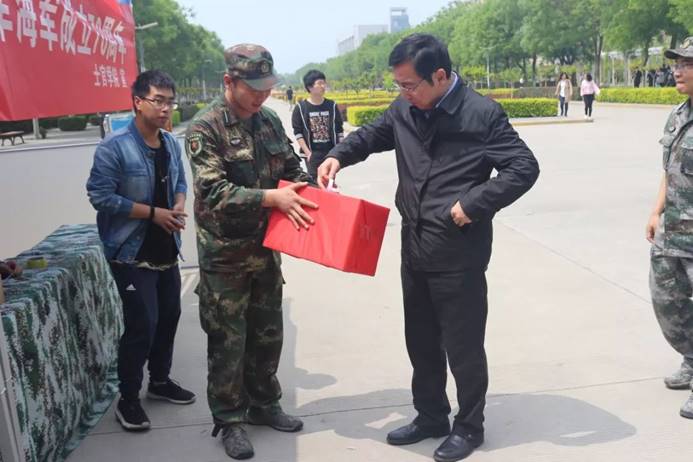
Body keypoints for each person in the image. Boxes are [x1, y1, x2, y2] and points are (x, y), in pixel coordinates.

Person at [317, 33, 539, 462]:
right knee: (420, 341)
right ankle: (431, 415)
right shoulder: (405, 108)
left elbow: (523, 167)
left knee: (463, 346)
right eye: (398, 85)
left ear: (439, 76)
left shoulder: (481, 114)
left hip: (459, 250)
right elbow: (371, 135)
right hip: (415, 243)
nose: (403, 92)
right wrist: (338, 155)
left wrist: (473, 204)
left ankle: (469, 427)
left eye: (409, 85)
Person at [185, 44, 317, 460]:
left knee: (267, 332)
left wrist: (311, 188)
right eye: (254, 88)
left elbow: (291, 169)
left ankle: (264, 403)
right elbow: (213, 191)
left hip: (267, 248)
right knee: (228, 340)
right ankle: (230, 419)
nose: (262, 95)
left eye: (266, 87)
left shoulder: (269, 121)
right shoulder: (205, 128)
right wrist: (270, 198)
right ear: (230, 81)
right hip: (225, 255)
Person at [86, 70, 196, 432]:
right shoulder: (114, 147)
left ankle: (160, 382)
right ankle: (128, 399)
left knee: (169, 317)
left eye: (170, 102)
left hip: (166, 249)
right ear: (138, 102)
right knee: (142, 325)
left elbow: (180, 181)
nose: (165, 109)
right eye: (158, 101)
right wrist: (153, 214)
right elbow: (100, 197)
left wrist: (178, 204)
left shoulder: (170, 144)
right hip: (131, 253)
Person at [646, 36, 693, 420]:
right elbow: (669, 169)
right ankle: (691, 359)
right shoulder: (678, 114)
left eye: (687, 64)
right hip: (672, 230)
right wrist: (656, 210)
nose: (677, 71)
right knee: (667, 302)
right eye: (677, 64)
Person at [291, 70, 344, 180]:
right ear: (310, 87)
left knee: (329, 179)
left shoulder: (331, 105)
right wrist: (308, 153)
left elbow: (339, 130)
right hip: (312, 153)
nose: (323, 86)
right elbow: (298, 132)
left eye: (324, 83)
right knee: (315, 181)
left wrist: (339, 150)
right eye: (319, 83)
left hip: (330, 151)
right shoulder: (301, 108)